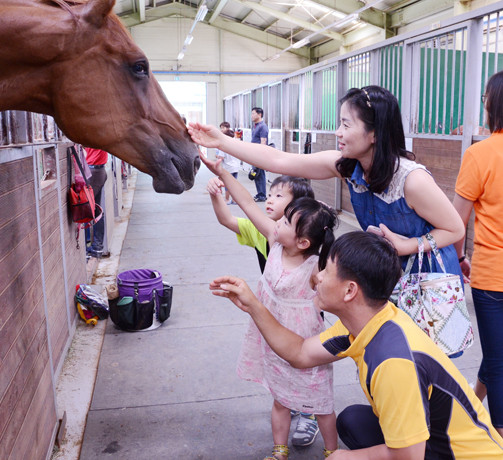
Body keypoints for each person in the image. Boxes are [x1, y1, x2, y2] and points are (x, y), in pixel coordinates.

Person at [211, 231, 503, 459]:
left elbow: (409, 456)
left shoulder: (393, 360)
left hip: (460, 455)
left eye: (326, 270)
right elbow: (299, 353)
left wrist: (347, 457)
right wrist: (254, 305)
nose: (317, 277)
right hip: (433, 441)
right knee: (352, 421)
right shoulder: (368, 321)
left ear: (350, 290)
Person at [188, 85, 465, 286]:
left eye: (346, 124)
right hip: (387, 277)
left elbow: (455, 229)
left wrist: (409, 245)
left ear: (374, 133)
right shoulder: (348, 167)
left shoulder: (411, 180)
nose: (337, 132)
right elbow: (278, 160)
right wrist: (222, 141)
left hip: (429, 283)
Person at [202, 154, 339, 459]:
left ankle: (333, 452)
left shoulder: (316, 267)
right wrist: (222, 173)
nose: (279, 222)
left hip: (305, 342)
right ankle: (280, 450)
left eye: (287, 221)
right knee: (280, 398)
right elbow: (247, 204)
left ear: (303, 242)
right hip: (271, 336)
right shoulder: (273, 240)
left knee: (321, 404)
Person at [452, 69, 503, 437]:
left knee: (499, 361)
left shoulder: (479, 154)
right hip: (491, 277)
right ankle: (471, 405)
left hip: (491, 276)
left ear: (491, 105)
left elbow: (457, 223)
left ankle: (498, 437)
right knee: (498, 354)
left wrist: (459, 258)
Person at [84, 147, 108, 258]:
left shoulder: (92, 139)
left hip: (93, 171)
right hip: (99, 170)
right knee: (96, 209)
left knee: (86, 209)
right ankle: (97, 247)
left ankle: (90, 246)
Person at [216, 123, 240, 204]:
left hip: (228, 168)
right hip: (236, 167)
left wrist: (217, 156)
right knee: (234, 184)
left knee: (227, 184)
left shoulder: (223, 146)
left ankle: (226, 199)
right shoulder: (236, 144)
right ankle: (234, 200)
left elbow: (221, 157)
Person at [251, 107, 269, 202]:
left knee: (260, 174)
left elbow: (263, 142)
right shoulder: (256, 126)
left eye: (253, 114)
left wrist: (261, 157)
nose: (251, 116)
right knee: (256, 174)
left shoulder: (263, 127)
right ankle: (259, 193)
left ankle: (262, 195)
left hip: (259, 155)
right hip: (254, 154)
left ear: (259, 114)